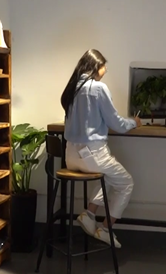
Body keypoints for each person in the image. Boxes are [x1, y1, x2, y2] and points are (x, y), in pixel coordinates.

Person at [60, 49, 141, 248]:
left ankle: (89, 215)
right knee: (126, 183)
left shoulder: (72, 88)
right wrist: (134, 122)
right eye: (104, 66)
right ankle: (105, 229)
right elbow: (117, 124)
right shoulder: (98, 88)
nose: (105, 71)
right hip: (92, 155)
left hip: (70, 156)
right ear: (96, 66)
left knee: (107, 175)